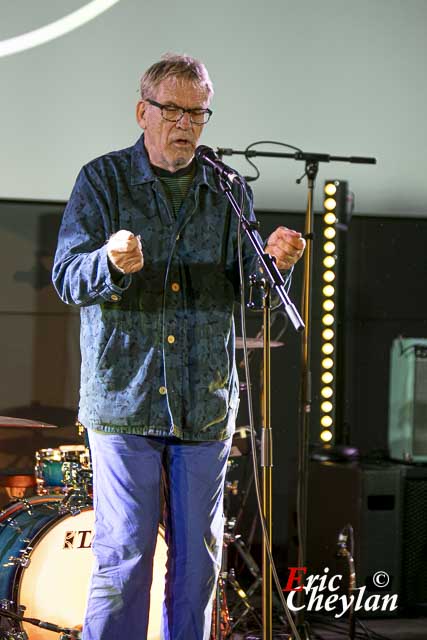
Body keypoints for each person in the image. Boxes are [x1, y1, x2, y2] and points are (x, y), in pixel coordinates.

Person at [53, 53, 305, 640]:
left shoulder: (226, 187)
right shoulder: (103, 180)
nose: (185, 123)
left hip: (204, 403)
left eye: (198, 112)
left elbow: (255, 292)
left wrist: (278, 264)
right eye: (172, 109)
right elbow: (67, 277)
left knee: (199, 563)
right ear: (143, 111)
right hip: (125, 400)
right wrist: (109, 263)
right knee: (126, 556)